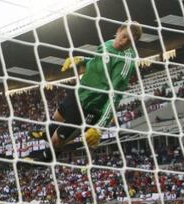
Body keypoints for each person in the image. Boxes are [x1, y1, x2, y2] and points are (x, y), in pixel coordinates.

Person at [28, 21, 142, 162]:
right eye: (124, 36)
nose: (124, 42)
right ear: (118, 31)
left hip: (90, 106)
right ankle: (46, 134)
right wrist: (81, 60)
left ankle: (44, 160)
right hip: (79, 93)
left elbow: (115, 95)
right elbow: (96, 62)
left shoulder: (125, 61)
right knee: (57, 118)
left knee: (57, 141)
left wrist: (100, 127)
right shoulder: (107, 44)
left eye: (130, 41)